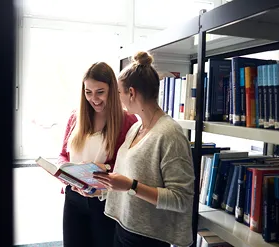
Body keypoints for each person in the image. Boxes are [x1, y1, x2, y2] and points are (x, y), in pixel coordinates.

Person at [93, 51, 195, 247]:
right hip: (124, 226)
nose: (117, 99)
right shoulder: (135, 128)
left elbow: (181, 199)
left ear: (131, 93)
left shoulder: (170, 134)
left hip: (148, 238)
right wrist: (100, 189)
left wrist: (132, 186)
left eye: (119, 93)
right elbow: (127, 179)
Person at [58, 62, 138, 247]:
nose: (94, 99)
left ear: (113, 89)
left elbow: (129, 165)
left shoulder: (128, 121)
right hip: (74, 196)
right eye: (88, 92)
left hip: (104, 201)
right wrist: (67, 172)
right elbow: (63, 155)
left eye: (100, 92)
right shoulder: (75, 117)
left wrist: (107, 168)